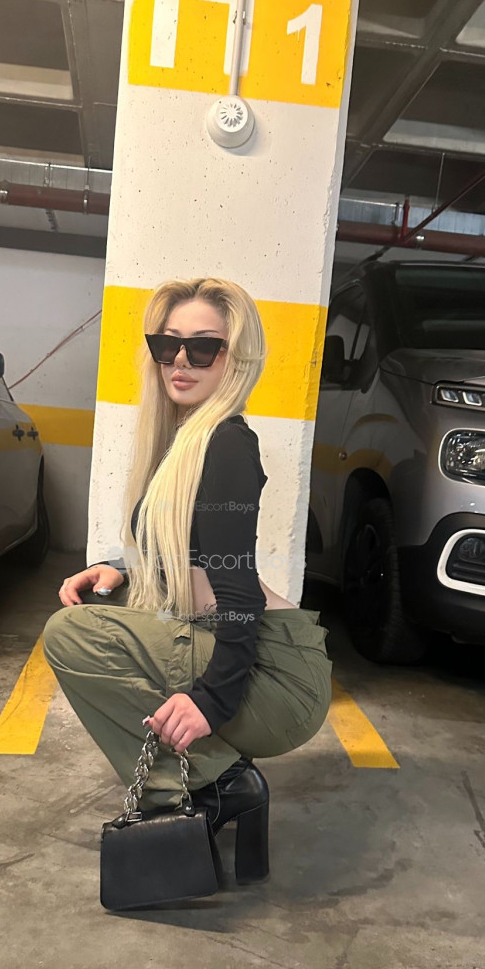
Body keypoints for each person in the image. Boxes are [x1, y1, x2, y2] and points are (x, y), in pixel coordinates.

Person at [42, 277, 333, 884]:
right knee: (99, 616)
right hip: (248, 648)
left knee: (71, 635)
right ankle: (211, 780)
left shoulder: (226, 444)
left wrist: (210, 703)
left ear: (235, 358)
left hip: (277, 675)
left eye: (203, 348)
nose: (180, 360)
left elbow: (237, 591)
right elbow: (192, 553)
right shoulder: (183, 439)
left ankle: (219, 785)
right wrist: (123, 571)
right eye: (167, 344)